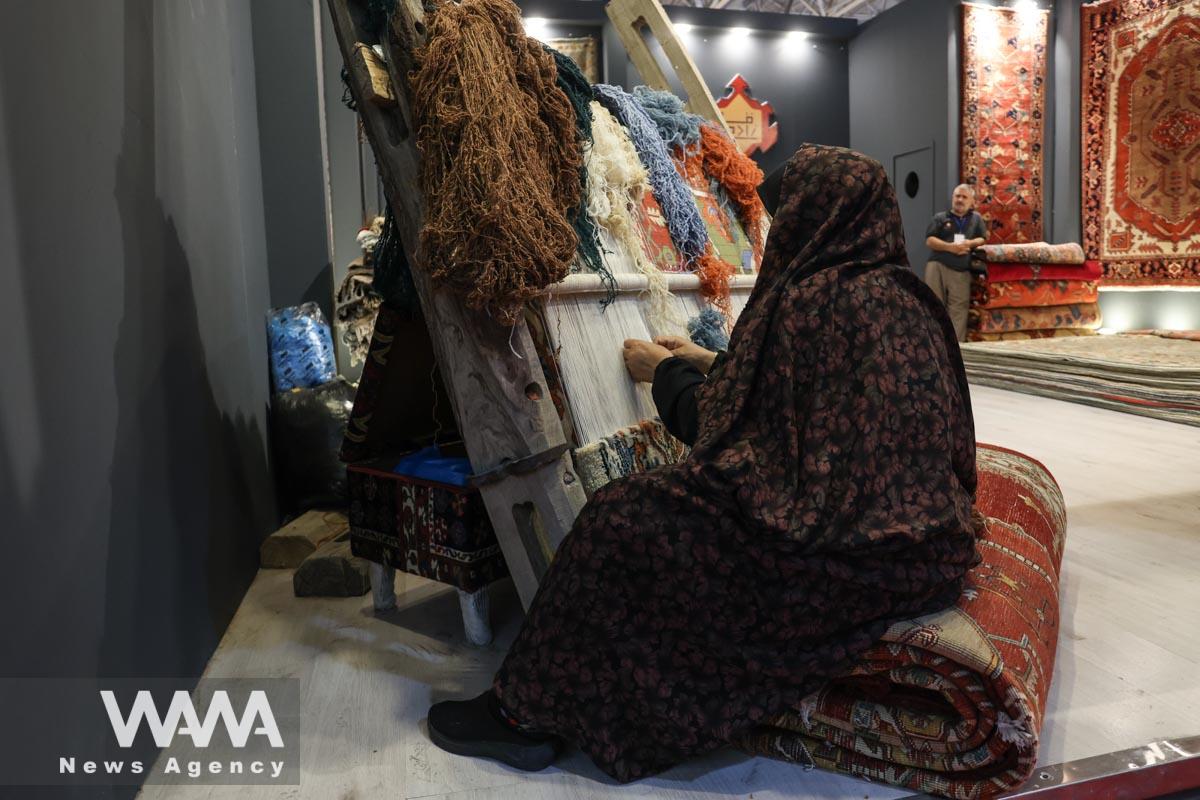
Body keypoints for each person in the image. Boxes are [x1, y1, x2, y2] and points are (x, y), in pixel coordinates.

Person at [426, 144, 982, 782]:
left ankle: (523, 718)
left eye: (787, 215)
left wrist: (663, 373)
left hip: (846, 559)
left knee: (622, 518)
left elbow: (732, 435)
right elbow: (802, 399)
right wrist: (708, 360)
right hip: (928, 549)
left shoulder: (812, 303)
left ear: (814, 217)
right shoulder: (908, 298)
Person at [923, 184, 989, 342]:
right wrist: (950, 248)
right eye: (957, 196)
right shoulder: (940, 217)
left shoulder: (976, 219)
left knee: (958, 310)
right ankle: (933, 344)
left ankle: (955, 348)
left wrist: (970, 243)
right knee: (933, 305)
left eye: (964, 197)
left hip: (961, 270)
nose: (960, 199)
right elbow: (930, 240)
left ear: (972, 201)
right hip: (937, 266)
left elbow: (983, 238)